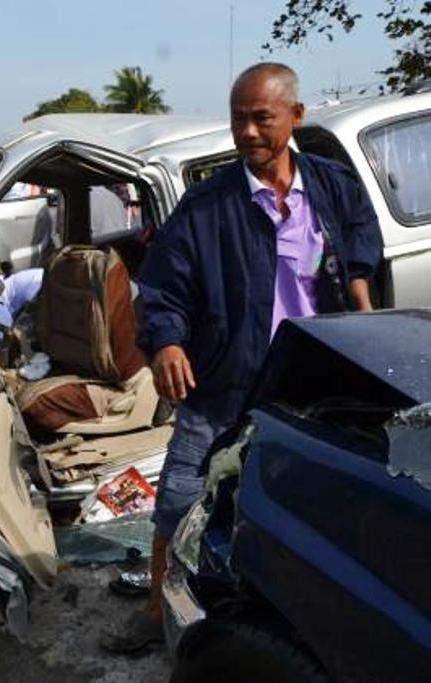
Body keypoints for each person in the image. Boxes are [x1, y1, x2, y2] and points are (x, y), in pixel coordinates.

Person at [100, 62, 382, 653]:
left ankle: (300, 614)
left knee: (312, 501)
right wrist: (168, 342)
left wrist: (359, 294)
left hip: (312, 382)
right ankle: (156, 611)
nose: (249, 132)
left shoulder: (331, 185)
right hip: (225, 379)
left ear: (295, 118)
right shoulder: (207, 207)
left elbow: (360, 240)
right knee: (179, 496)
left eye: (262, 119)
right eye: (239, 120)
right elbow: (163, 290)